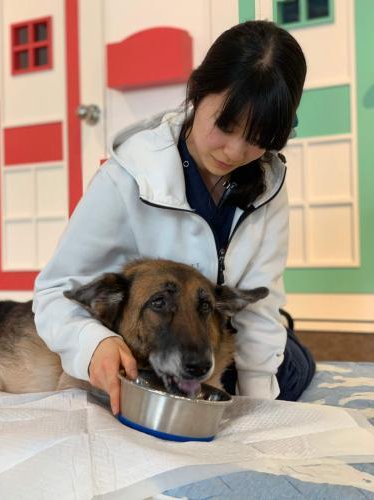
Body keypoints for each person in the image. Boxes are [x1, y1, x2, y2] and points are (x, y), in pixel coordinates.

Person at [33, 20, 315, 415]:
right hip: (149, 343)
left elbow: (257, 311)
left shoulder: (270, 183)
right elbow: (54, 292)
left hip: (219, 339)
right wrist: (91, 342)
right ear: (198, 91)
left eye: (257, 139)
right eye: (225, 125)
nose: (233, 152)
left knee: (289, 366)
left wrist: (257, 414)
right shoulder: (126, 176)